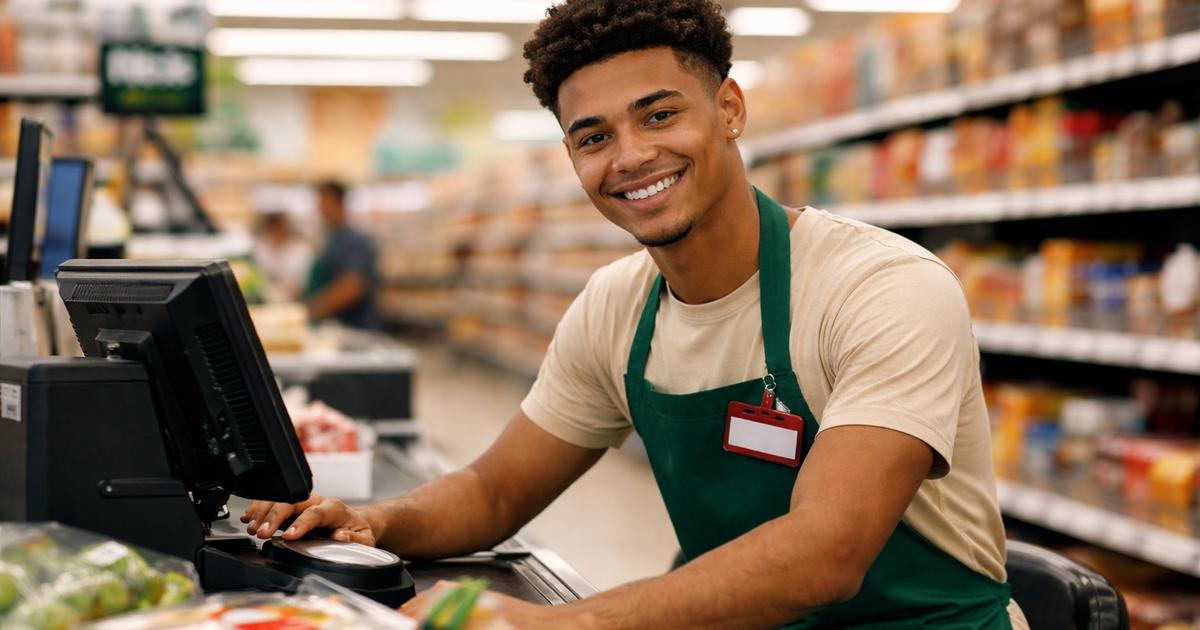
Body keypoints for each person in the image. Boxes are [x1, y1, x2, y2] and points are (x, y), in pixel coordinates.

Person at [243, 2, 1029, 627]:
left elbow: (826, 554)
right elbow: (493, 491)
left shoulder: (882, 288)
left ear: (729, 109)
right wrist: (373, 524)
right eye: (594, 137)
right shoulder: (616, 308)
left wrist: (566, 623)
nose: (629, 157)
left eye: (658, 115)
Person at [303, 181, 381, 330]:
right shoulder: (331, 239)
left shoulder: (355, 242)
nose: (320, 209)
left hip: (354, 328)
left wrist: (312, 310)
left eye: (323, 202)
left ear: (337, 202)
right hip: (332, 327)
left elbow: (352, 287)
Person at [253, 210, 313, 302]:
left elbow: (299, 283)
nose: (276, 232)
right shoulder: (260, 246)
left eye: (279, 227)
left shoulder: (302, 249)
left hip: (293, 298)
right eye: (272, 228)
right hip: (263, 295)